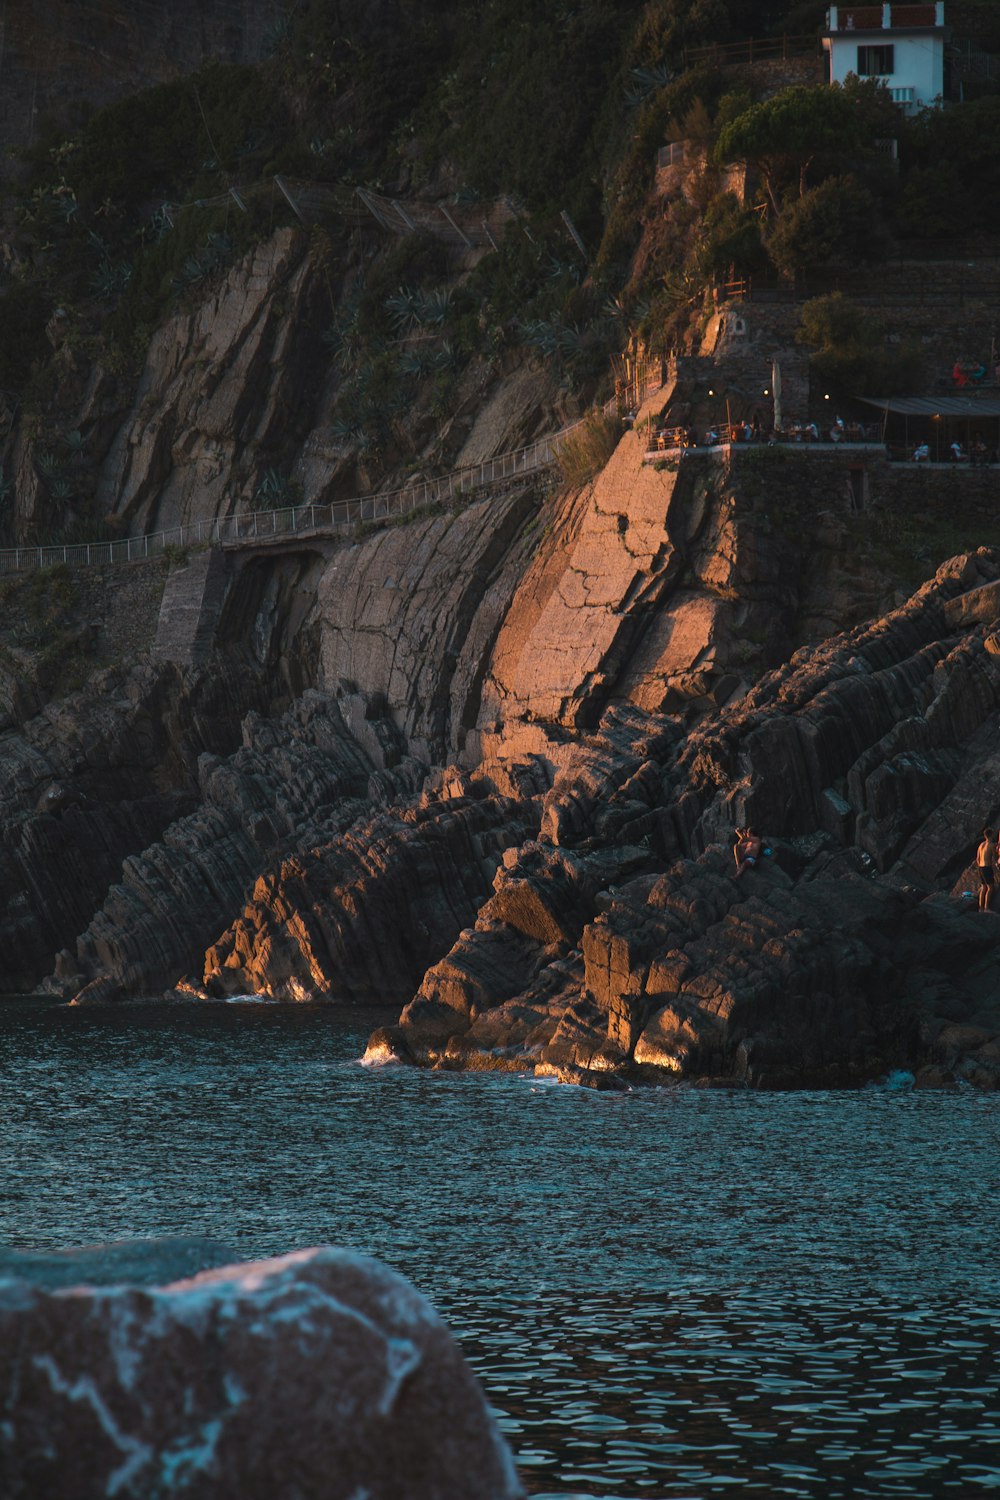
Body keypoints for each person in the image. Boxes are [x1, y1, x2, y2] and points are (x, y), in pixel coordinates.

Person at [977, 827, 997, 911]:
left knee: (983, 887)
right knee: (990, 888)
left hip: (980, 868)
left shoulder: (981, 845)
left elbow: (977, 858)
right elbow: (995, 857)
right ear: (991, 835)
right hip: (987, 868)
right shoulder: (992, 845)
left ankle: (980, 908)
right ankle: (986, 907)